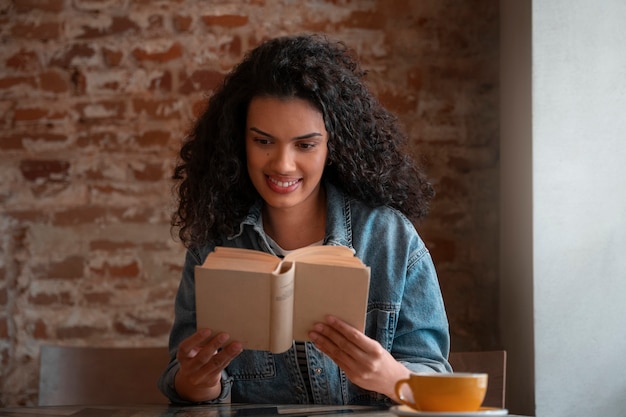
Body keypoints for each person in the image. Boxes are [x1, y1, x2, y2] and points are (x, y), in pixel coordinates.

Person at [158, 33, 451, 406]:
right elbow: (181, 383)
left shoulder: (391, 238)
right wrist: (198, 382)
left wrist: (389, 376)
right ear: (238, 142)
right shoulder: (214, 246)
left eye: (305, 145)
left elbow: (436, 379)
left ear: (334, 146)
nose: (282, 164)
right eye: (263, 141)